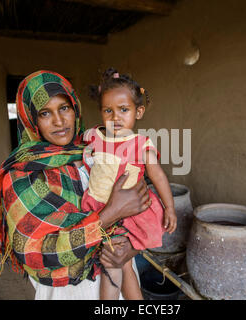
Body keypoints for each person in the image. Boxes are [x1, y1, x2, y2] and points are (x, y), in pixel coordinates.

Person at [0, 70, 150, 300]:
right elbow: (33, 251)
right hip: (68, 292)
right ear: (31, 119)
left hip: (121, 282)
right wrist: (109, 214)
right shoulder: (22, 176)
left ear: (75, 109)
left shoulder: (97, 151)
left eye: (64, 108)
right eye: (45, 113)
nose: (59, 121)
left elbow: (142, 210)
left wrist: (130, 250)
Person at [82, 68, 177, 300]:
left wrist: (170, 208)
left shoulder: (140, 145)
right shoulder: (94, 136)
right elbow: (83, 156)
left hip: (125, 216)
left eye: (124, 110)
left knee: (111, 265)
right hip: (99, 209)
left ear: (139, 111)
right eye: (108, 111)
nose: (116, 117)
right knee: (124, 265)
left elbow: (158, 177)